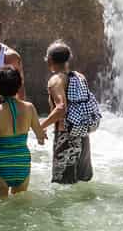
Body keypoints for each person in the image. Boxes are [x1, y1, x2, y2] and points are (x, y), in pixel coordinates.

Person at [0, 67, 46, 197]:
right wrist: (41, 137)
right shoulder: (29, 108)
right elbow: (40, 136)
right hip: (22, 163)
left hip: (1, 164)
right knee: (19, 207)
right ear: (19, 85)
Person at [41, 41, 97, 185]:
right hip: (83, 135)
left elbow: (61, 109)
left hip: (66, 138)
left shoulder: (56, 80)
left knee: (62, 185)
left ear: (50, 60)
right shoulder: (79, 76)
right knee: (82, 182)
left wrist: (41, 126)